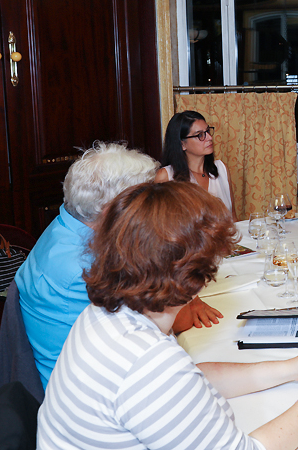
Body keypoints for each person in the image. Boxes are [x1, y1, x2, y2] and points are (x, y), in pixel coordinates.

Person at [38, 182, 298, 450]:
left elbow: (195, 377)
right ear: (193, 276)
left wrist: (292, 369)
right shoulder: (147, 363)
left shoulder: (109, 313)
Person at [16, 142, 223, 388]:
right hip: (91, 389)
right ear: (112, 208)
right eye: (144, 199)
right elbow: (172, 319)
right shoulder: (85, 265)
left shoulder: (66, 227)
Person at [156, 110, 237, 219]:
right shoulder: (166, 176)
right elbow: (160, 227)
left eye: (208, 131)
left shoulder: (221, 169)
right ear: (182, 144)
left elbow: (234, 220)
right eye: (200, 135)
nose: (209, 138)